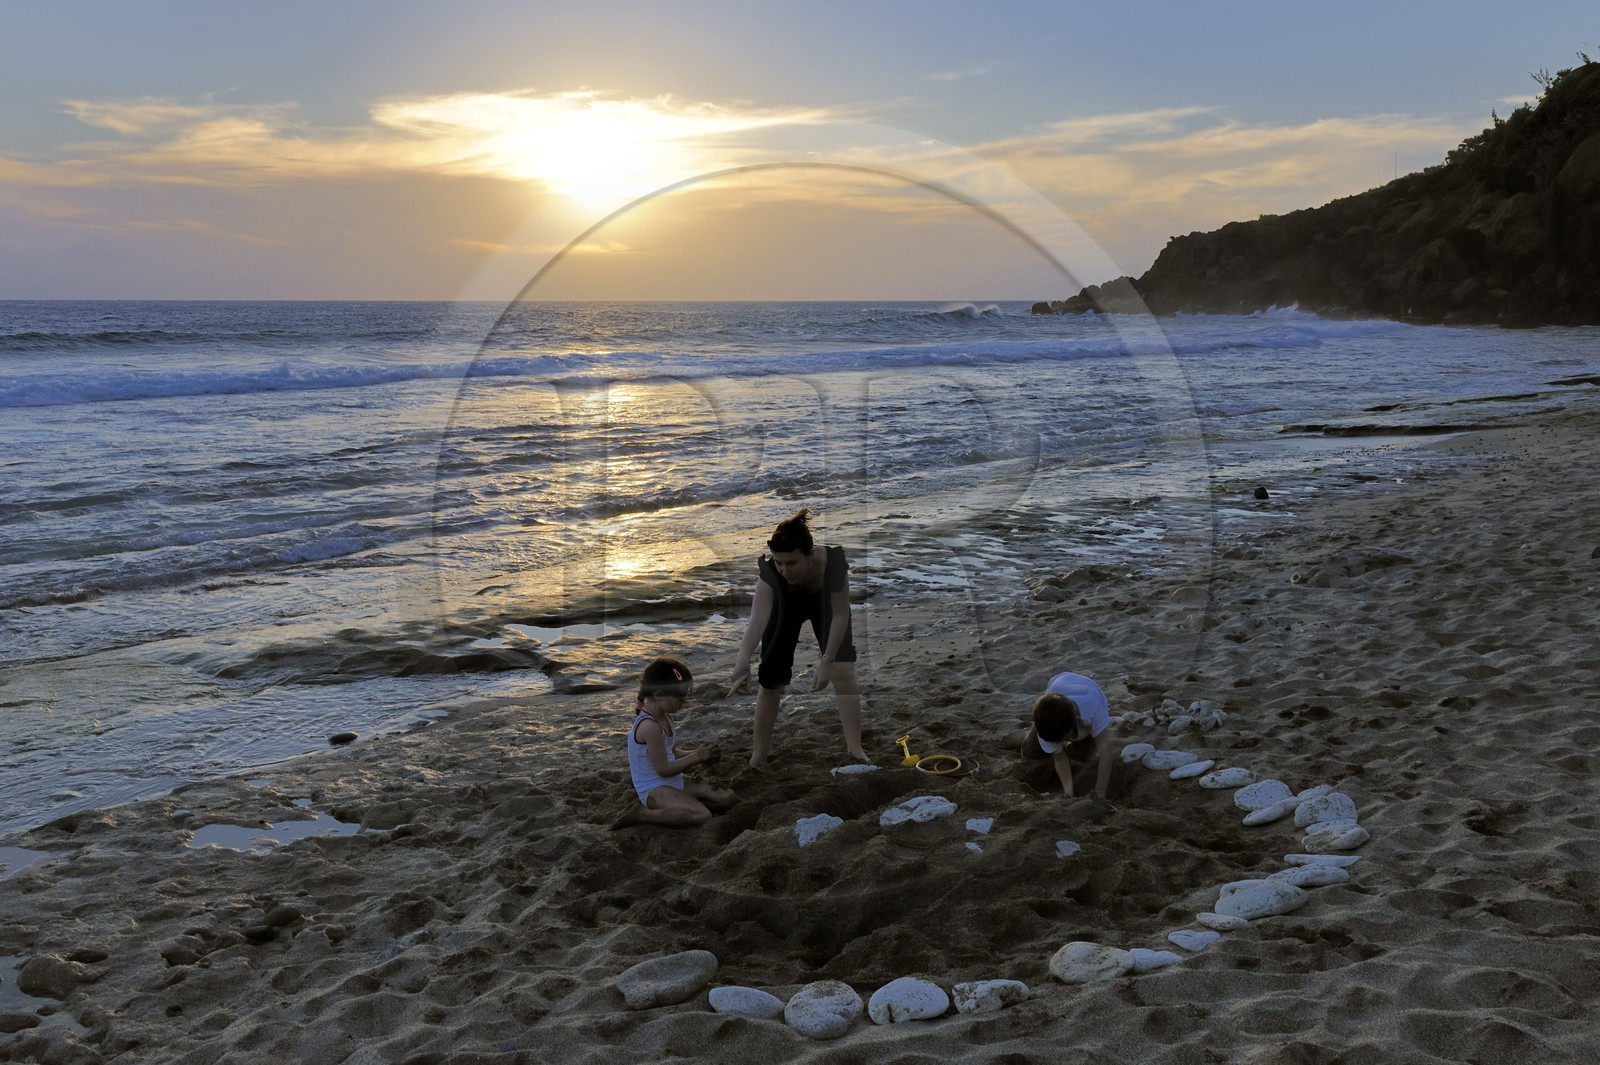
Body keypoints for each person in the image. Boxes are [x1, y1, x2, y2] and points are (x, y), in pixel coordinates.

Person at [730, 508, 866, 767]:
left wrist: (826, 660)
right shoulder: (772, 574)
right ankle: (758, 757)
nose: (784, 569)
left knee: (843, 671)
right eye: (778, 562)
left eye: (791, 563)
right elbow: (758, 619)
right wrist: (742, 662)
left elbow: (839, 615)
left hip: (825, 606)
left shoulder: (834, 565)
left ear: (810, 555)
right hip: (786, 607)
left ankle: (855, 748)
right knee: (771, 680)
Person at [618, 655, 733, 828]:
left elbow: (672, 753)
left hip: (674, 781)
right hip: (655, 789)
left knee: (726, 796)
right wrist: (696, 757)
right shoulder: (649, 727)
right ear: (660, 694)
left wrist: (700, 754)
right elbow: (663, 769)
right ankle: (642, 814)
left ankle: (687, 805)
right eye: (680, 698)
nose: (683, 703)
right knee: (702, 815)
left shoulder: (665, 717)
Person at [1006, 671, 1115, 799]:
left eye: (1065, 737)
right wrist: (1068, 792)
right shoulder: (1047, 724)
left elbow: (1106, 754)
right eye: (1059, 740)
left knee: (1083, 756)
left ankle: (1072, 745)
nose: (1063, 740)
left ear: (1076, 719)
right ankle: (1027, 735)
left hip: (1087, 695)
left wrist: (1100, 793)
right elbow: (1059, 758)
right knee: (1030, 751)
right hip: (1056, 698)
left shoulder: (1093, 711)